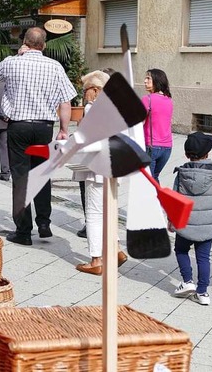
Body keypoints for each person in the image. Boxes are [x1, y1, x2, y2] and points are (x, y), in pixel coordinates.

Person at [0, 27, 77, 246]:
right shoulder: (55, 67)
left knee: (21, 178)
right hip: (44, 128)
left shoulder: (12, 62)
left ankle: (23, 231)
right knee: (42, 174)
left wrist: (18, 54)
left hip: (19, 127)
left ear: (25, 42)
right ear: (44, 45)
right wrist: (64, 129)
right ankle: (44, 222)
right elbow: (66, 101)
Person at [73, 70, 128, 275]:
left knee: (95, 212)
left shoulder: (92, 108)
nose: (84, 94)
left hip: (97, 165)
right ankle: (116, 250)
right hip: (116, 164)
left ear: (95, 90)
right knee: (109, 208)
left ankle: (96, 259)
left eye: (86, 90)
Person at [170, 132, 212, 306]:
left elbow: (174, 200)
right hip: (208, 225)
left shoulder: (181, 174)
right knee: (203, 258)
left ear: (186, 154)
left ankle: (187, 281)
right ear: (208, 154)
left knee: (181, 250)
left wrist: (171, 220)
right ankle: (203, 292)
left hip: (185, 223)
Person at [142, 68, 173, 182]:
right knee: (154, 178)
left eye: (148, 78)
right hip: (167, 148)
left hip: (151, 147)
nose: (145, 81)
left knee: (149, 181)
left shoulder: (147, 99)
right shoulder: (168, 100)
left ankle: (154, 200)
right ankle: (158, 199)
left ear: (157, 80)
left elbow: (138, 122)